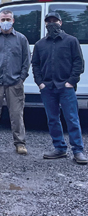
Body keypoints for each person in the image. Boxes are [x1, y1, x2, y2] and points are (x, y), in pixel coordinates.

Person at [31, 11, 87, 165]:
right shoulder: (40, 44)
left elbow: (78, 63)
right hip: (48, 88)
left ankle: (78, 151)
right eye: (49, 21)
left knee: (72, 119)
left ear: (61, 23)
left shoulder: (71, 41)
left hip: (66, 87)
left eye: (55, 21)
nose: (52, 23)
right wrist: (40, 83)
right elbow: (35, 64)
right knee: (53, 119)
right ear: (46, 24)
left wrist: (71, 81)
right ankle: (60, 148)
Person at [0, 10, 30, 155]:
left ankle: (20, 143)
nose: (5, 21)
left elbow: (26, 61)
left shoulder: (21, 39)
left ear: (13, 21)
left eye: (8, 19)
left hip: (14, 82)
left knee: (16, 114)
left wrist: (21, 78)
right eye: (3, 19)